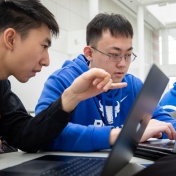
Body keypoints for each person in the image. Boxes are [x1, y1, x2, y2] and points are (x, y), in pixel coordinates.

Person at [35, 13, 176, 152]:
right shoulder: (62, 80)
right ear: (89, 53)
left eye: (127, 55)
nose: (122, 64)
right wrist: (119, 135)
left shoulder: (133, 85)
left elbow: (167, 124)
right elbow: (42, 132)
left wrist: (158, 130)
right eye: (114, 55)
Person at [0, 0, 127, 153]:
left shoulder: (2, 86)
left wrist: (72, 96)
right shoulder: (61, 79)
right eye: (44, 46)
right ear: (11, 39)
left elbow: (26, 136)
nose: (46, 61)